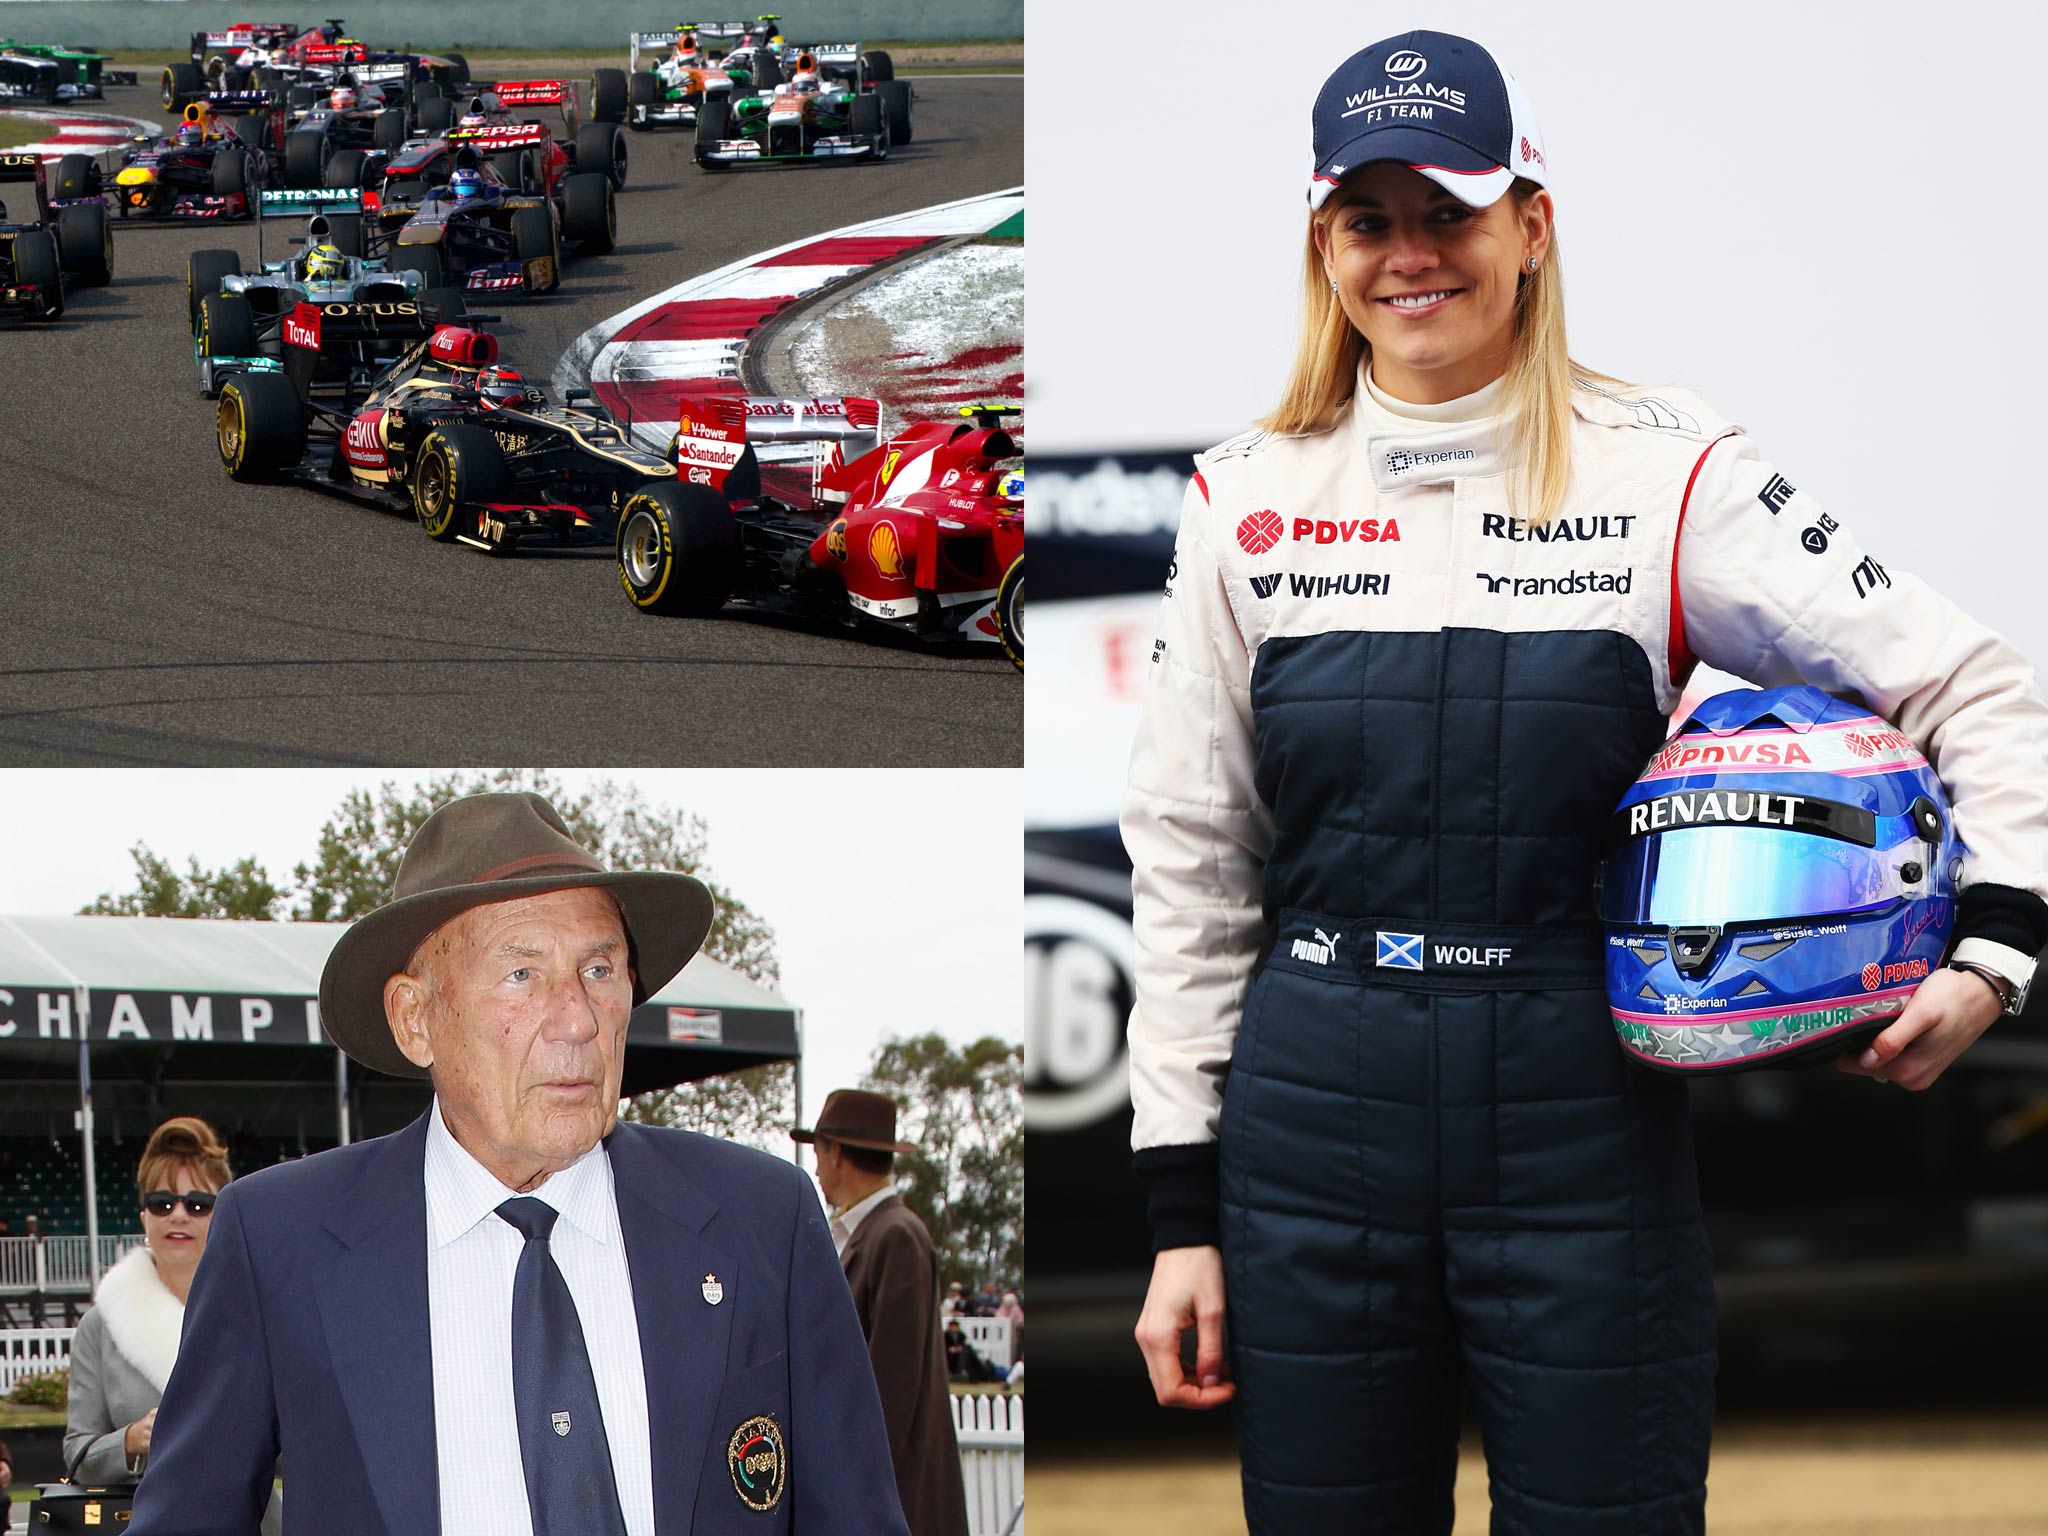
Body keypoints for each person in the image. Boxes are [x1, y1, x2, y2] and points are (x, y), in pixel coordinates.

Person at [1123, 29, 2048, 1536]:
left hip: (1576, 1108)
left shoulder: (1668, 467)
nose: (1411, 255)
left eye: (1451, 212)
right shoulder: (1246, 492)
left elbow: (1977, 680)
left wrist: (1997, 950)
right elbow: (1190, 854)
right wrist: (1180, 1213)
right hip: (1310, 1127)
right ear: (1324, 243)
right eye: (1371, 218)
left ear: (1530, 225)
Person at [128, 791, 909, 1536]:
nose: (577, 1019)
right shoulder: (279, 1241)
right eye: (521, 973)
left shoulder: (764, 1220)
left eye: (599, 971)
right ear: (415, 1019)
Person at [64, 1119, 282, 1535]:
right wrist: (131, 1439)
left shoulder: (261, 1310)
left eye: (197, 1203)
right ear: (143, 1213)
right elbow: (77, 1451)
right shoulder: (101, 1324)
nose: (178, 1215)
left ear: (222, 1212)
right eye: (162, 1202)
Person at [795, 1089, 968, 1536]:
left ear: (836, 1154)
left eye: (818, 1153)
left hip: (896, 1495)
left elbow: (893, 1386)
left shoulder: (895, 1236)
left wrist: (860, 1494)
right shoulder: (868, 1233)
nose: (815, 1169)